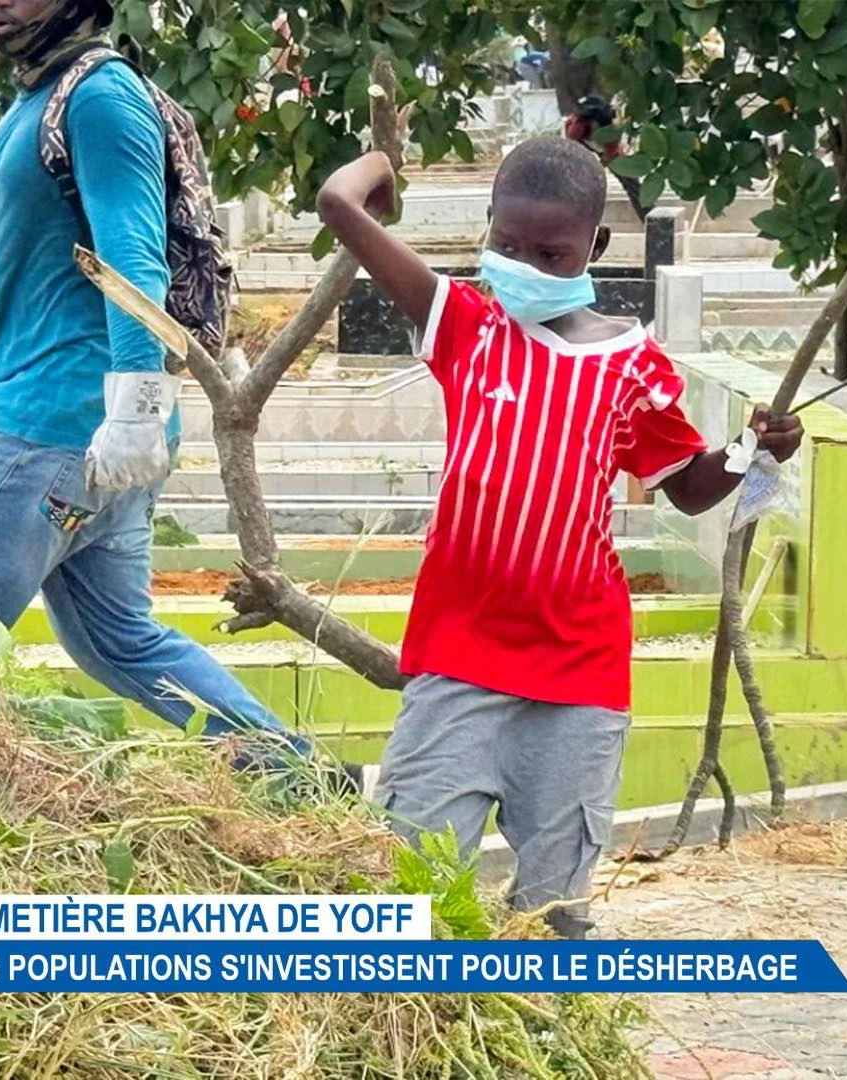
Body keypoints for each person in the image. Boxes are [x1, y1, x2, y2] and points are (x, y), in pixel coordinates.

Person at [316, 136, 803, 937]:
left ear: (594, 249)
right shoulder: (464, 324)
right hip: (456, 657)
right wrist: (385, 165)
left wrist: (755, 449)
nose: (524, 266)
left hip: (578, 668)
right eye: (506, 245)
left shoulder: (634, 365)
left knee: (555, 912)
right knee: (408, 892)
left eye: (551, 252)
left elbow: (687, 489)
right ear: (487, 230)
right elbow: (339, 204)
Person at [0, 0, 354, 793]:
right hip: (88, 456)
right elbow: (11, 273)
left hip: (49, 438)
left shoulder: (98, 98)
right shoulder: (40, 98)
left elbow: (133, 261)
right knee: (124, 642)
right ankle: (304, 780)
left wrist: (132, 410)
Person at [563, 94, 646, 222]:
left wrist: (606, 159)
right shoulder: (575, 126)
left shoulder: (610, 126)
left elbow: (611, 153)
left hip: (609, 150)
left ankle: (648, 215)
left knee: (631, 183)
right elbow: (571, 147)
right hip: (582, 146)